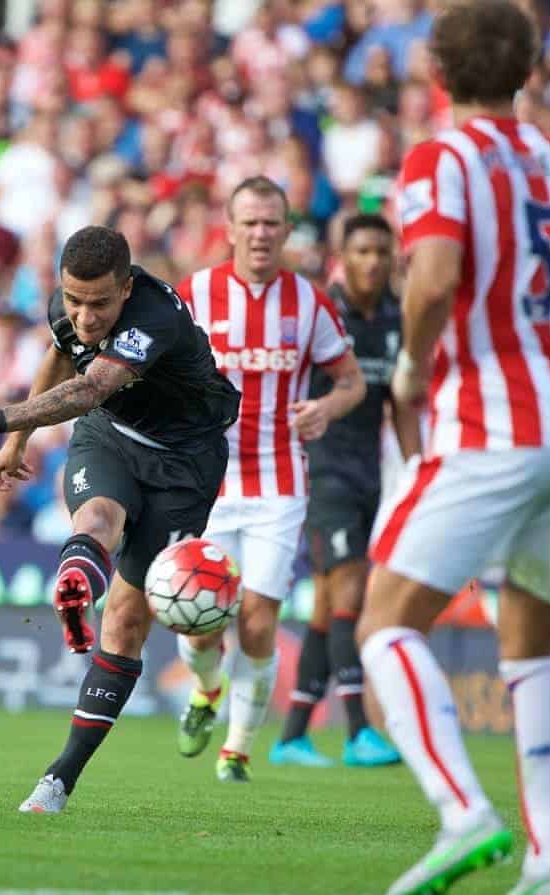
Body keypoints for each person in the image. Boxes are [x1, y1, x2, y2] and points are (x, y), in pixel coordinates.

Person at [354, 3, 550, 893]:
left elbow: (438, 278)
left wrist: (414, 367)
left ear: (438, 75)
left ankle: (464, 814)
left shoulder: (440, 159)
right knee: (532, 651)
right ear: (527, 71)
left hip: (494, 428)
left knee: (383, 624)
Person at [0, 225, 240, 813]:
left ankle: (61, 775)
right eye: (73, 300)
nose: (85, 316)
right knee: (94, 517)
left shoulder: (155, 318)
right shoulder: (66, 306)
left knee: (125, 620)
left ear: (127, 287)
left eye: (98, 303)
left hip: (185, 463)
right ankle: (75, 587)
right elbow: (62, 351)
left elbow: (90, 386)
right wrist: (17, 443)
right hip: (111, 438)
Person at [174, 176, 367, 783]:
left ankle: (236, 750)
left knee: (257, 619)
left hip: (279, 485)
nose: (260, 234)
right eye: (249, 222)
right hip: (205, 485)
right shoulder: (195, 295)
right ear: (229, 230)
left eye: (271, 223)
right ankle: (206, 691)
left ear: (287, 231)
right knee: (198, 626)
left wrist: (327, 409)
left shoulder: (310, 302)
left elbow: (352, 381)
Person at [269, 213, 420, 769]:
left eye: (382, 251)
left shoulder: (399, 321)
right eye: (362, 251)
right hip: (320, 471)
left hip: (369, 478)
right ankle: (359, 730)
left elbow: (400, 404)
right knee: (351, 596)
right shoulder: (319, 312)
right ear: (342, 256)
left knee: (330, 604)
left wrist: (419, 469)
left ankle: (291, 736)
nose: (373, 261)